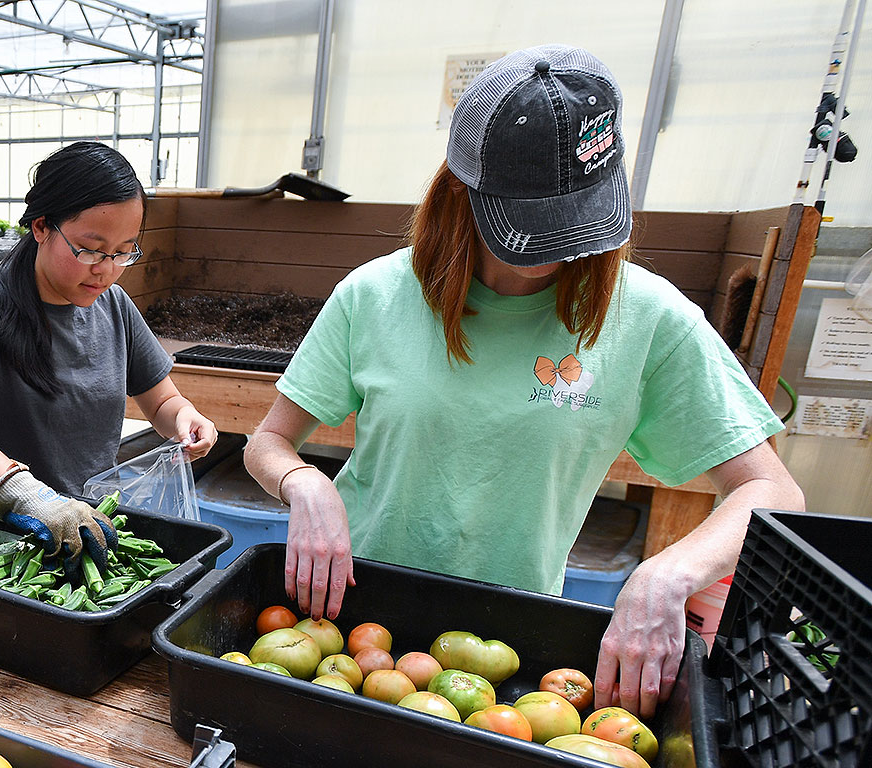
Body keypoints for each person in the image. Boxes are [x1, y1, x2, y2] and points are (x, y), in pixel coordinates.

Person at [243, 44, 804, 718]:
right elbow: (267, 441)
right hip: (352, 617)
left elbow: (774, 490)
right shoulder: (377, 294)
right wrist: (303, 483)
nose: (565, 249)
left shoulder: (649, 318)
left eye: (579, 219)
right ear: (459, 187)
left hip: (506, 649)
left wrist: (667, 574)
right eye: (536, 223)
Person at [0, 141, 217, 566]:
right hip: (8, 544)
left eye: (123, 251)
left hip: (93, 527)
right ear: (41, 227)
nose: (105, 268)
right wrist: (31, 496)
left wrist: (185, 419)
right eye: (90, 249)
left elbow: (163, 400)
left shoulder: (115, 307)